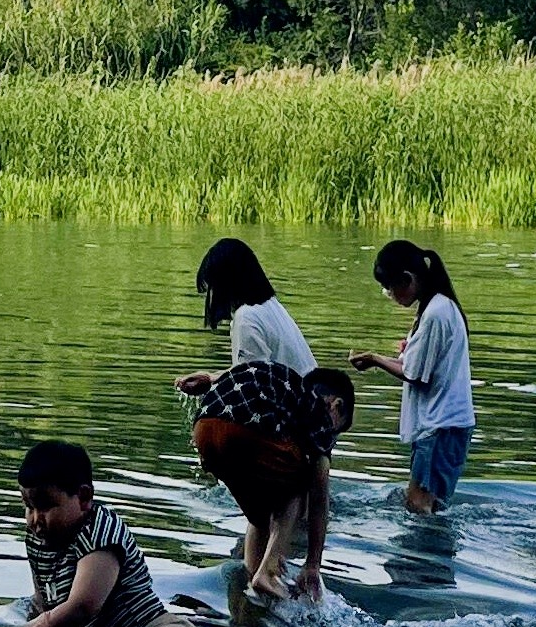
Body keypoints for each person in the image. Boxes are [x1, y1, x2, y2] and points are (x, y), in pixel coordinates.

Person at [0, 441, 237, 627]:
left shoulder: (101, 532)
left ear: (83, 498)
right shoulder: (39, 541)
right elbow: (43, 604)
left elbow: (83, 607)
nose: (36, 519)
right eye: (28, 506)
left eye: (46, 506)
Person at [188, 357, 356, 596]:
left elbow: (237, 377)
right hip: (244, 430)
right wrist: (312, 565)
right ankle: (268, 571)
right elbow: (319, 495)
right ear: (336, 406)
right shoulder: (318, 410)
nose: (332, 438)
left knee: (260, 514)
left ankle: (252, 576)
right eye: (337, 429)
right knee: (299, 485)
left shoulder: (286, 390)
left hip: (205, 429)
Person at [351, 240, 476, 511]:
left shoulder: (435, 313)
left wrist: (374, 359)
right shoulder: (438, 306)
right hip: (443, 424)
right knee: (425, 503)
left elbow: (415, 374)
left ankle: (425, 554)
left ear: (407, 280)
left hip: (440, 425)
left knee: (420, 506)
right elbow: (422, 364)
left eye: (389, 288)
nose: (390, 295)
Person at [177, 237, 311, 393]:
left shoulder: (246, 318)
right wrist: (211, 379)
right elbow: (252, 370)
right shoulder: (271, 307)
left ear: (225, 283)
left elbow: (250, 386)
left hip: (297, 410)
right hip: (308, 402)